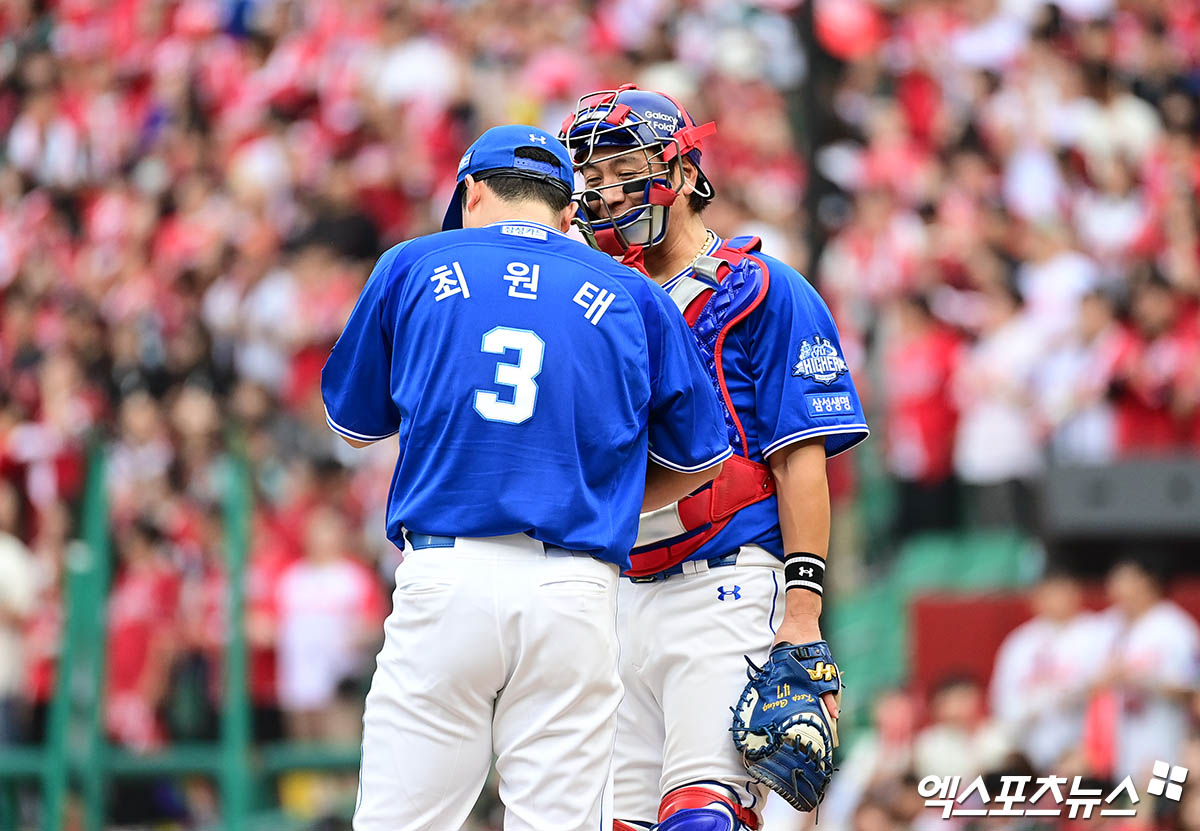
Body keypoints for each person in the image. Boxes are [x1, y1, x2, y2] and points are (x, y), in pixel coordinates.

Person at [321, 124, 731, 831]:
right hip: (576, 586)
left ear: (472, 193)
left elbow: (356, 424)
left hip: (446, 574)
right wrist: (600, 499)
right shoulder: (631, 292)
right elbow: (701, 458)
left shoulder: (412, 265)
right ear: (570, 211)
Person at [560, 86, 869, 831]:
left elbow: (802, 457)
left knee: (705, 816)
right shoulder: (589, 299)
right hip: (619, 593)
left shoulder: (758, 286)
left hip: (725, 582)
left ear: (684, 171)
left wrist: (803, 610)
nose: (603, 192)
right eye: (590, 177)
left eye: (621, 168)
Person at [989, 570, 1107, 769]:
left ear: (1075, 593)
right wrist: (1031, 706)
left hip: (1082, 749)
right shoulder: (1020, 642)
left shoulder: (1099, 633)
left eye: (1060, 592)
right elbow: (1002, 702)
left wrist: (1070, 693)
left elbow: (1106, 690)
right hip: (1030, 752)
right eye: (1046, 594)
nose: (1054, 601)